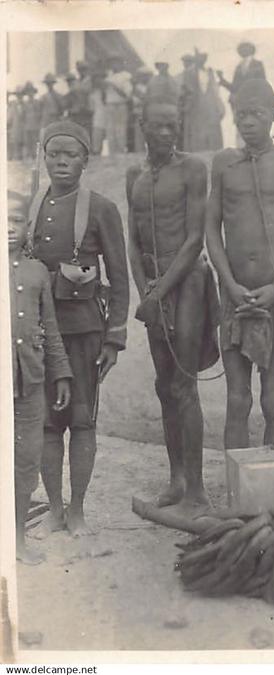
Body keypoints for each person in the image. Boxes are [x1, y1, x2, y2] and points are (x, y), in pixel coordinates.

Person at [27, 120, 130, 537]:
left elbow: (120, 278)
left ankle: (79, 510)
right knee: (49, 424)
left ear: (85, 161)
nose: (62, 162)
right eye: (55, 154)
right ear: (45, 157)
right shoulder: (33, 206)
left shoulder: (101, 208)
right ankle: (54, 509)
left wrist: (114, 339)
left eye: (71, 155)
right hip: (40, 334)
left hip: (85, 331)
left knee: (83, 421)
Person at [206, 79, 274, 449]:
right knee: (237, 399)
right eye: (241, 115)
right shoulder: (223, 163)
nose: (248, 122)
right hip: (233, 296)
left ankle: (273, 495)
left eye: (256, 114)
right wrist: (230, 284)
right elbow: (211, 229)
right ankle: (239, 493)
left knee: (273, 397)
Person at [126, 94, 220, 512]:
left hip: (188, 282)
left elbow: (195, 239)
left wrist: (159, 292)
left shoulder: (194, 169)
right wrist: (144, 291)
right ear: (142, 125)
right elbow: (133, 240)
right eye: (158, 125)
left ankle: (197, 491)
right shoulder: (135, 175)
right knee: (164, 386)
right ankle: (177, 480)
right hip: (153, 287)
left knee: (184, 384)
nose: (167, 132)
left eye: (173, 124)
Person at [8, 190, 72, 564]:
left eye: (16, 221)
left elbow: (50, 329)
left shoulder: (37, 274)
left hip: (29, 384)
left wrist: (60, 373)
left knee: (26, 460)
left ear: (28, 226)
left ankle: (18, 540)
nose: (9, 229)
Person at [217, 41, 266, 148]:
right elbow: (234, 87)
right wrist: (222, 80)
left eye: (245, 48)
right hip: (240, 103)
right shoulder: (238, 67)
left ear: (251, 50)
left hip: (254, 102)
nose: (242, 51)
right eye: (241, 49)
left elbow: (262, 84)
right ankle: (242, 150)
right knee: (241, 128)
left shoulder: (258, 64)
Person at [182, 50, 224, 152]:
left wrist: (220, 106)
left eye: (204, 58)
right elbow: (187, 90)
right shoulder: (189, 72)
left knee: (212, 132)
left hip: (210, 106)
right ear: (196, 59)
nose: (202, 60)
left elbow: (215, 90)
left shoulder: (209, 72)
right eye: (200, 57)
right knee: (197, 133)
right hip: (196, 106)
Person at [104, 55, 132, 154]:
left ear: (120, 63)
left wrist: (113, 86)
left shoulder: (125, 75)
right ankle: (112, 153)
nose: (113, 65)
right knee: (110, 130)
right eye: (111, 62)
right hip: (109, 105)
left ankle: (120, 152)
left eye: (115, 62)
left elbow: (127, 95)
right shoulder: (108, 75)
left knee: (120, 129)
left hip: (120, 105)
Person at [23, 82, 41, 160]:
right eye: (28, 92)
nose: (30, 93)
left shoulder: (37, 102)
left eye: (31, 91)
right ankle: (29, 157)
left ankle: (36, 157)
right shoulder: (25, 103)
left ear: (33, 92)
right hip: (27, 126)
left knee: (35, 141)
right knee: (28, 142)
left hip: (35, 125)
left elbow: (40, 114)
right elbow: (23, 115)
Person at [8, 86, 26, 161]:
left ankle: (21, 157)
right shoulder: (13, 104)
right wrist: (9, 123)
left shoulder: (25, 104)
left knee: (22, 141)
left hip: (23, 125)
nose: (19, 96)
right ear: (16, 95)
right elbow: (10, 115)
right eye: (18, 94)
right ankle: (14, 157)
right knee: (15, 141)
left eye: (21, 94)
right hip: (15, 125)